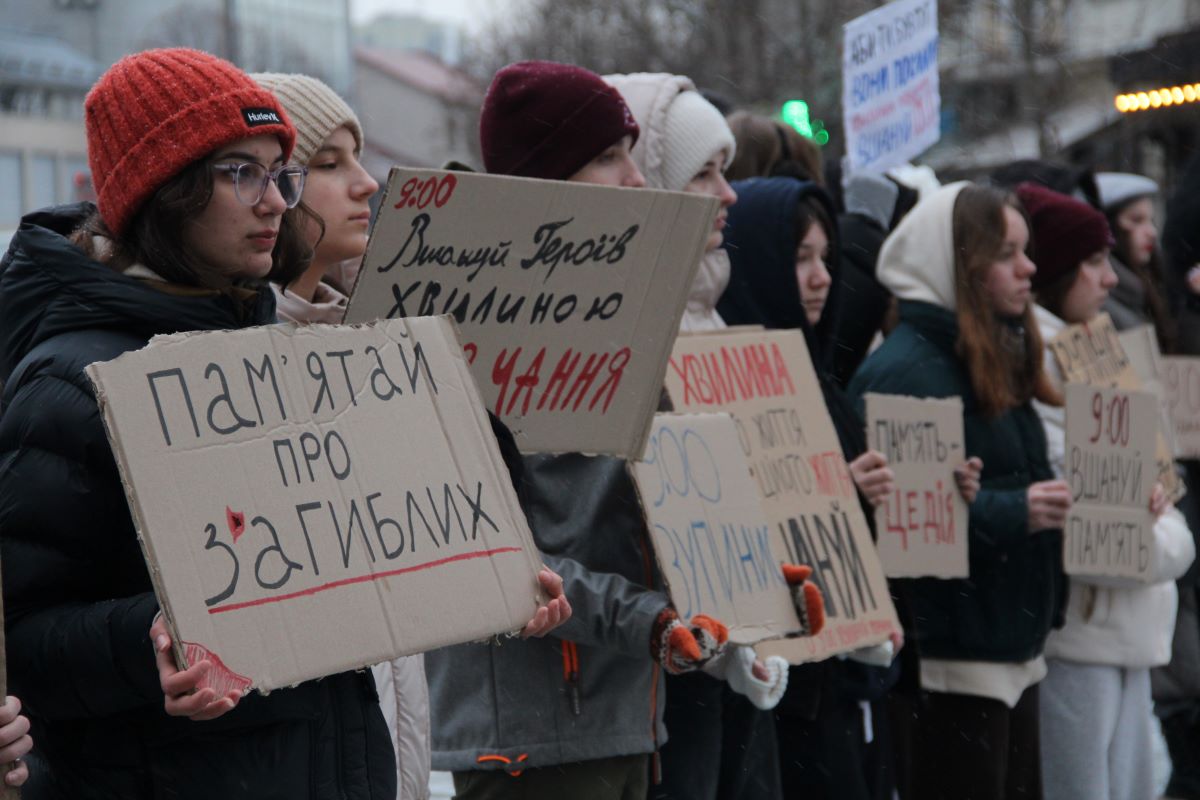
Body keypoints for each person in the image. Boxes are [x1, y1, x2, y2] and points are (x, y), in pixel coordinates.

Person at [425, 61, 728, 800]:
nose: (634, 179)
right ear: (545, 182)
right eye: (606, 157)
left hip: (619, 710)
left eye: (631, 151)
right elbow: (495, 552)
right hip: (532, 736)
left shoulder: (615, 314)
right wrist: (648, 620)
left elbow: (639, 503)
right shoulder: (467, 333)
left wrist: (739, 578)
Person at [603, 72, 822, 800]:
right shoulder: (616, 337)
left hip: (722, 662)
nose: (728, 195)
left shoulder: (714, 316)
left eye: (726, 172)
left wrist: (756, 627)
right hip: (659, 672)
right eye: (703, 174)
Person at [848, 182, 1069, 800]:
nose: (1029, 268)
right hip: (954, 657)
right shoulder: (909, 371)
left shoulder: (984, 350)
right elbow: (905, 528)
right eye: (1006, 254)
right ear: (959, 264)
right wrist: (1015, 510)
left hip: (1003, 641)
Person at [1015, 182, 1195, 800]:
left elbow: (1162, 495)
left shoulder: (1092, 350)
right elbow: (1110, 536)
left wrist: (1160, 529)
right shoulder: (1035, 367)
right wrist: (1165, 538)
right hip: (1084, 633)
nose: (1112, 279)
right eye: (1093, 262)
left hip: (1130, 632)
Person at [1095, 172, 1175, 350]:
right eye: (1137, 220)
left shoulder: (1151, 285)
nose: (1151, 232)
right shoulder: (1105, 305)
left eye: (1150, 220)